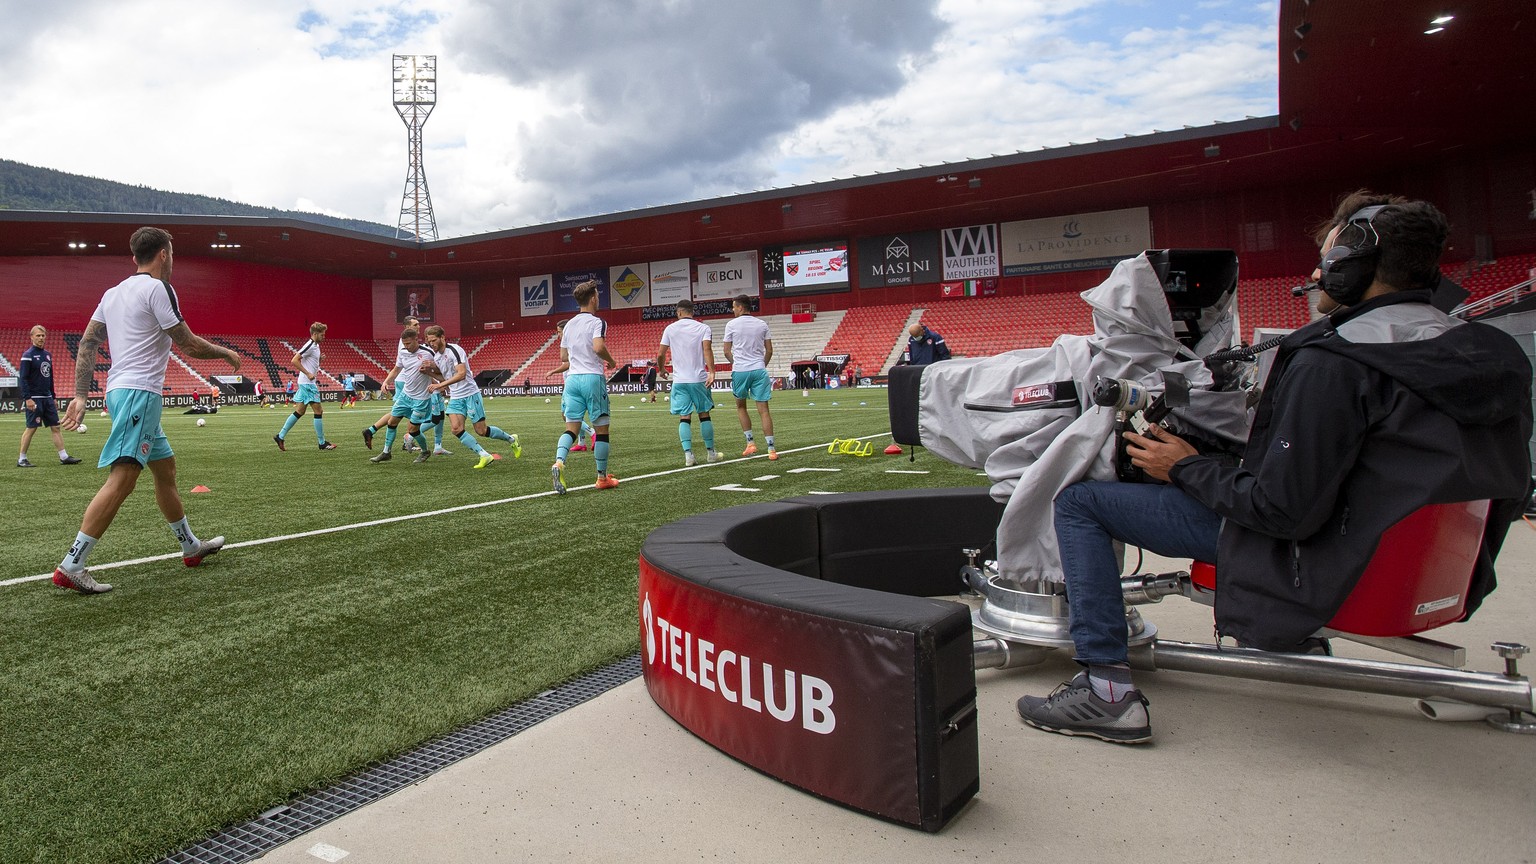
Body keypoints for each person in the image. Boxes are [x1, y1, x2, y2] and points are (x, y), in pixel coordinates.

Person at [1014, 192, 1533, 744]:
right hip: (1417, 570)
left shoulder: (1333, 364)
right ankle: (1295, 639)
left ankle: (1106, 691)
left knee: (1079, 503)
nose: (1314, 272)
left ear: (1351, 265)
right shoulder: (1492, 350)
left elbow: (1278, 510)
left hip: (1325, 562)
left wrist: (1184, 467)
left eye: (1326, 259)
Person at [52, 227, 239, 594]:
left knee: (165, 469)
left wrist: (79, 394)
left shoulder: (113, 292)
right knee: (123, 476)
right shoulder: (158, 288)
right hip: (139, 394)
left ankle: (190, 547)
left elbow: (89, 341)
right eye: (173, 253)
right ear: (164, 254)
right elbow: (186, 343)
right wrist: (224, 352)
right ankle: (72, 564)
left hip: (122, 391)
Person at [547, 280, 618, 493]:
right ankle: (602, 477)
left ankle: (559, 462)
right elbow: (598, 347)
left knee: (571, 428)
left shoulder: (569, 325)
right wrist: (612, 361)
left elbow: (563, 356)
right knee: (602, 429)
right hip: (592, 378)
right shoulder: (597, 322)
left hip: (573, 380)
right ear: (594, 298)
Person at [423, 324, 522, 469]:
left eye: (433, 340)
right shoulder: (437, 357)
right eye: (429, 342)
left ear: (442, 338)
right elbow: (445, 377)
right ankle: (484, 455)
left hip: (470, 393)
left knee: (481, 430)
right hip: (456, 396)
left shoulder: (455, 351)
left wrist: (438, 385)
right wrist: (429, 373)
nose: (431, 344)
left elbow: (461, 374)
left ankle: (512, 439)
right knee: (456, 429)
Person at [657, 299, 721, 466]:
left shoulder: (670, 329)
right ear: (692, 312)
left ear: (679, 312)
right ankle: (710, 453)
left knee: (684, 417)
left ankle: (688, 456)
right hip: (698, 379)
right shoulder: (703, 328)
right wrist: (712, 372)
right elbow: (707, 350)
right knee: (704, 415)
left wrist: (662, 369)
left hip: (680, 380)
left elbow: (660, 354)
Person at [368, 327, 442, 463]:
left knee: (413, 430)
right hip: (405, 395)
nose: (406, 346)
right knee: (392, 421)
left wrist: (432, 369)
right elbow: (396, 370)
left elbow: (440, 369)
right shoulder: (402, 353)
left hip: (421, 398)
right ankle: (386, 452)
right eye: (404, 344)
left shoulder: (428, 352)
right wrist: (386, 382)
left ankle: (425, 451)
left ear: (416, 339)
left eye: (409, 343)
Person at [17, 325, 82, 467]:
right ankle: (22, 459)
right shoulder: (27, 356)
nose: (41, 338)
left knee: (55, 427)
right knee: (32, 427)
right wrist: (27, 398)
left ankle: (64, 456)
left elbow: (50, 377)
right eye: (38, 335)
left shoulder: (47, 355)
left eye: (43, 335)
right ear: (32, 337)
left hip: (47, 398)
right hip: (35, 398)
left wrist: (53, 397)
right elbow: (23, 378)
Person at [723, 294, 777, 460]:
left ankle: (750, 443)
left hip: (740, 370)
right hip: (759, 369)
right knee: (764, 410)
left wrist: (737, 363)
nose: (732, 310)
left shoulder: (731, 325)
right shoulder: (762, 324)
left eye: (733, 307)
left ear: (740, 307)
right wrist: (761, 365)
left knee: (741, 407)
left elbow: (726, 351)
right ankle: (771, 449)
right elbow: (769, 350)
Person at [274, 322, 337, 451]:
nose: (324, 336)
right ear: (314, 334)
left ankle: (280, 436)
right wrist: (307, 373)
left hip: (305, 383)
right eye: (322, 334)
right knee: (318, 411)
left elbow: (310, 363)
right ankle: (322, 443)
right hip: (308, 383)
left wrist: (319, 361)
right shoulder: (309, 345)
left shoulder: (316, 345)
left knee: (300, 411)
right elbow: (294, 360)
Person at [363, 316, 420, 450]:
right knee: (413, 413)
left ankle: (371, 430)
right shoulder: (406, 342)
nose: (419, 326)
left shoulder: (407, 341)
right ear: (407, 327)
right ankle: (408, 440)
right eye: (415, 324)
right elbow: (402, 365)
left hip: (404, 380)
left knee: (398, 413)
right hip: (406, 381)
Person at [548, 318, 595, 452]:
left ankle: (592, 433)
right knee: (574, 415)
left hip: (572, 383)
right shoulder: (571, 343)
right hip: (574, 382)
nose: (558, 334)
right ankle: (581, 442)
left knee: (567, 416)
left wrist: (553, 371)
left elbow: (568, 363)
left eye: (559, 331)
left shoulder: (570, 345)